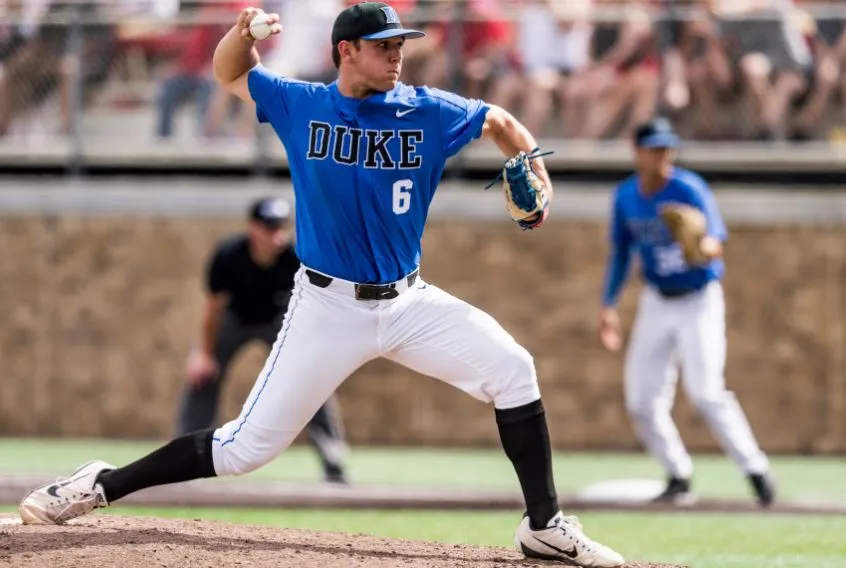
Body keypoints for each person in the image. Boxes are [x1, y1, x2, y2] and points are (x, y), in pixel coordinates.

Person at [19, 4, 624, 566]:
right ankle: (100, 484)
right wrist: (241, 33)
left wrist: (538, 173)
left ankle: (543, 525)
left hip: (410, 302)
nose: (397, 55)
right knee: (242, 451)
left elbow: (501, 121)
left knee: (514, 369)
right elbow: (229, 71)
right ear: (346, 51)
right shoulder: (301, 104)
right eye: (383, 45)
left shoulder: (427, 110)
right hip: (328, 307)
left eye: (400, 44)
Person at [598, 117, 776, 507]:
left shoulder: (688, 188)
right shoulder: (626, 197)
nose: (663, 156)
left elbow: (716, 241)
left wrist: (701, 246)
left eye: (668, 149)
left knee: (706, 391)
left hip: (699, 299)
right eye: (655, 149)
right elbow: (621, 254)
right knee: (641, 400)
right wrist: (608, 304)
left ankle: (756, 470)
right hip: (657, 300)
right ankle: (678, 474)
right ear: (637, 152)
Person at [177, 196, 349, 483]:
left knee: (312, 378)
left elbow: (315, 307)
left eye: (281, 228)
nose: (277, 236)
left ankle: (333, 458)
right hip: (236, 319)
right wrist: (204, 354)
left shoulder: (296, 258)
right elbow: (213, 308)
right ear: (253, 228)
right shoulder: (229, 255)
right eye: (270, 228)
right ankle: (183, 456)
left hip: (278, 321)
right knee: (202, 376)